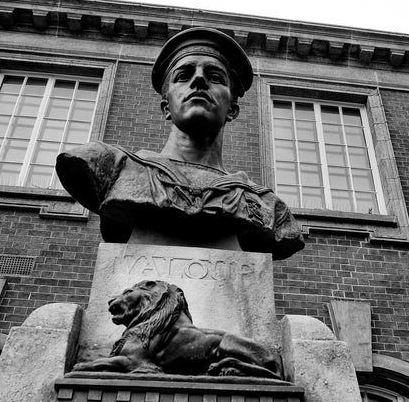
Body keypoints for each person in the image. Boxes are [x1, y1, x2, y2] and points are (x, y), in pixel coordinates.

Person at [56, 27, 304, 260]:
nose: (198, 81)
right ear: (166, 107)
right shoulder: (110, 165)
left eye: (215, 77)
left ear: (232, 110)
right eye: (183, 76)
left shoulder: (268, 207)